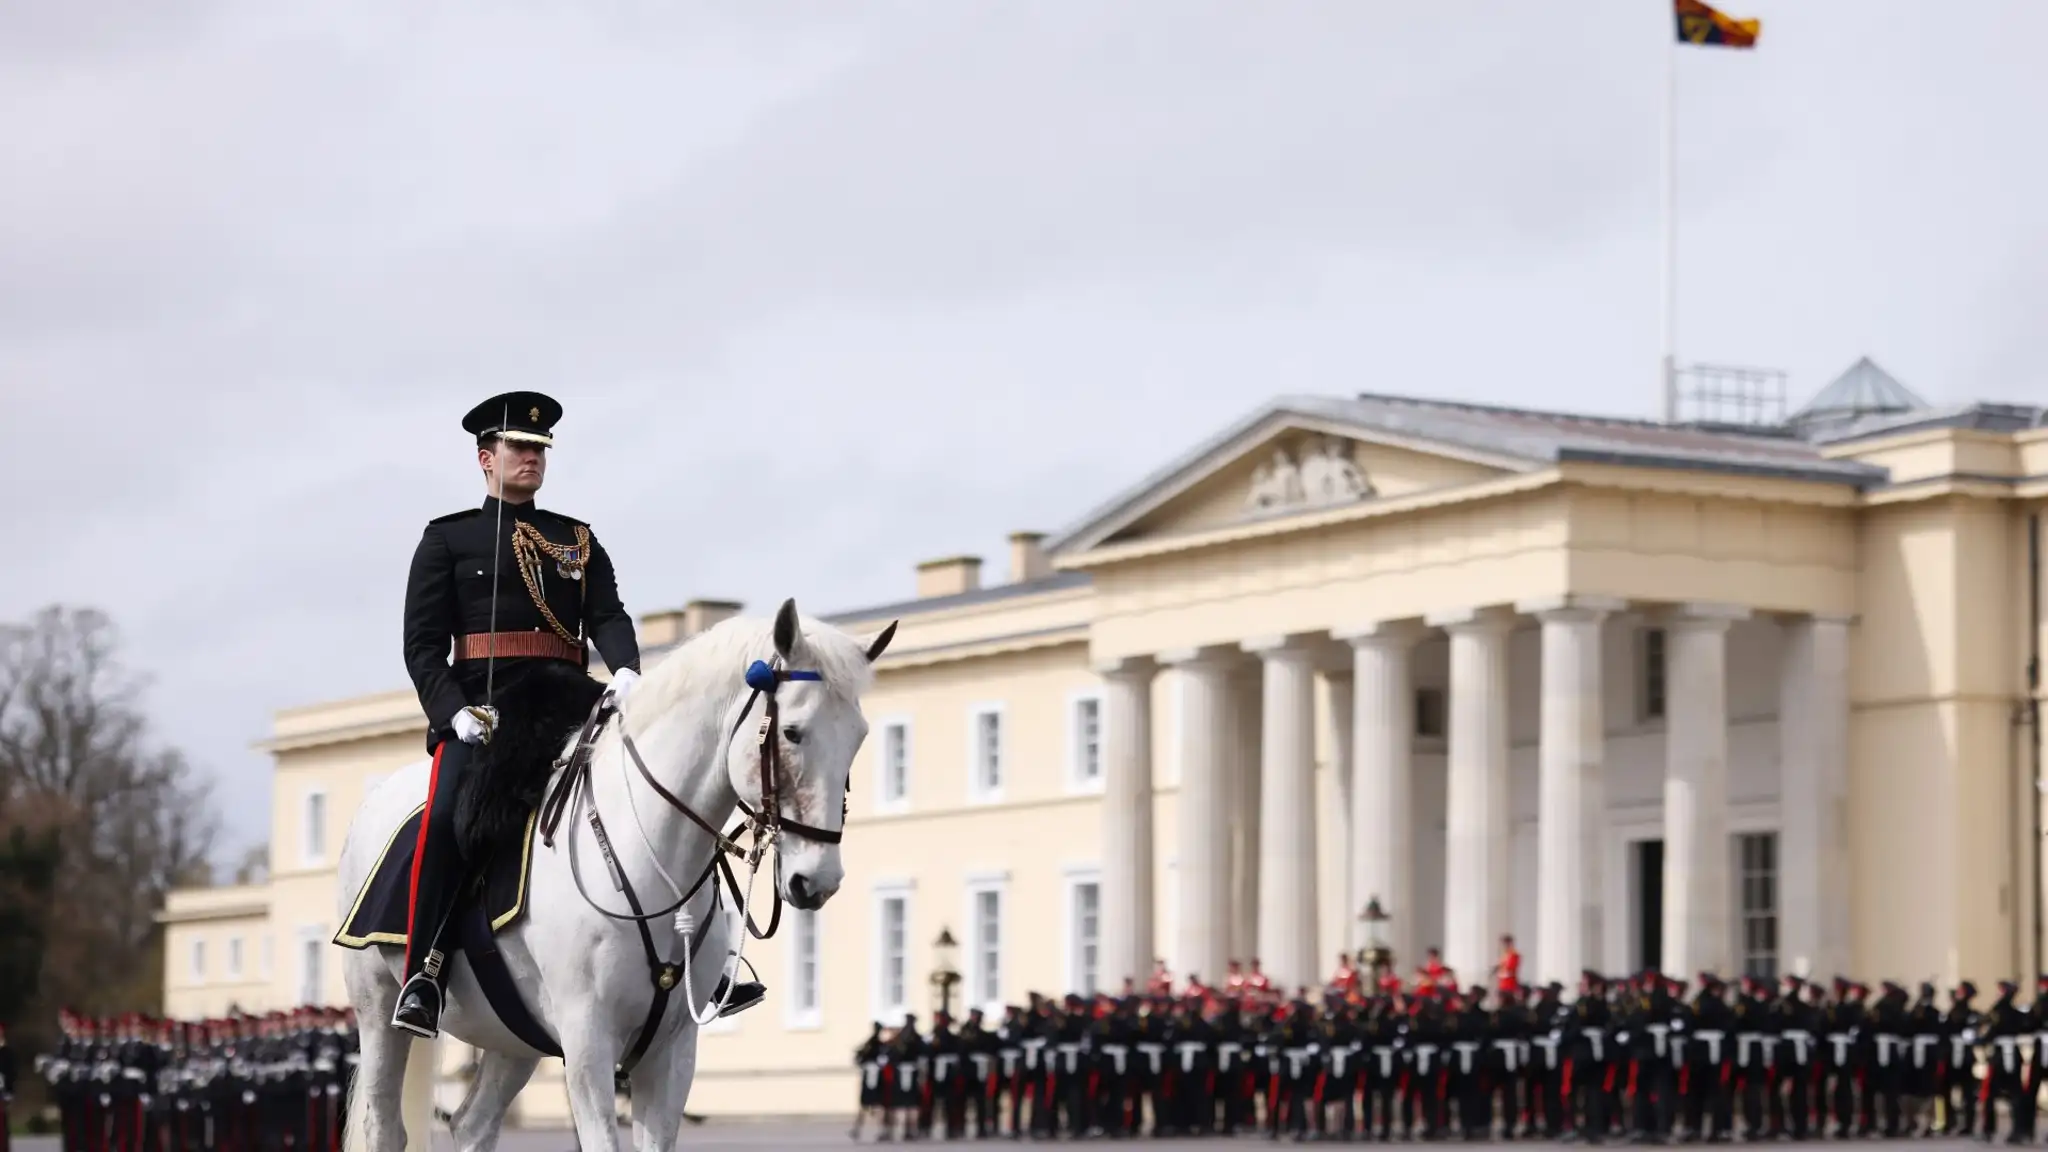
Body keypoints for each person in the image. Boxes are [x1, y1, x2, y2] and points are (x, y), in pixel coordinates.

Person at [391, 391, 764, 1037]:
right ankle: (425, 972)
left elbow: (609, 615)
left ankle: (715, 965)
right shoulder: (447, 539)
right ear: (486, 457)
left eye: (539, 449)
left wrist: (624, 670)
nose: (532, 457)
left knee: (675, 799)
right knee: (450, 817)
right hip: (486, 711)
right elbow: (422, 645)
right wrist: (451, 713)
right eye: (518, 447)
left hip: (571, 699)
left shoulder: (576, 539)